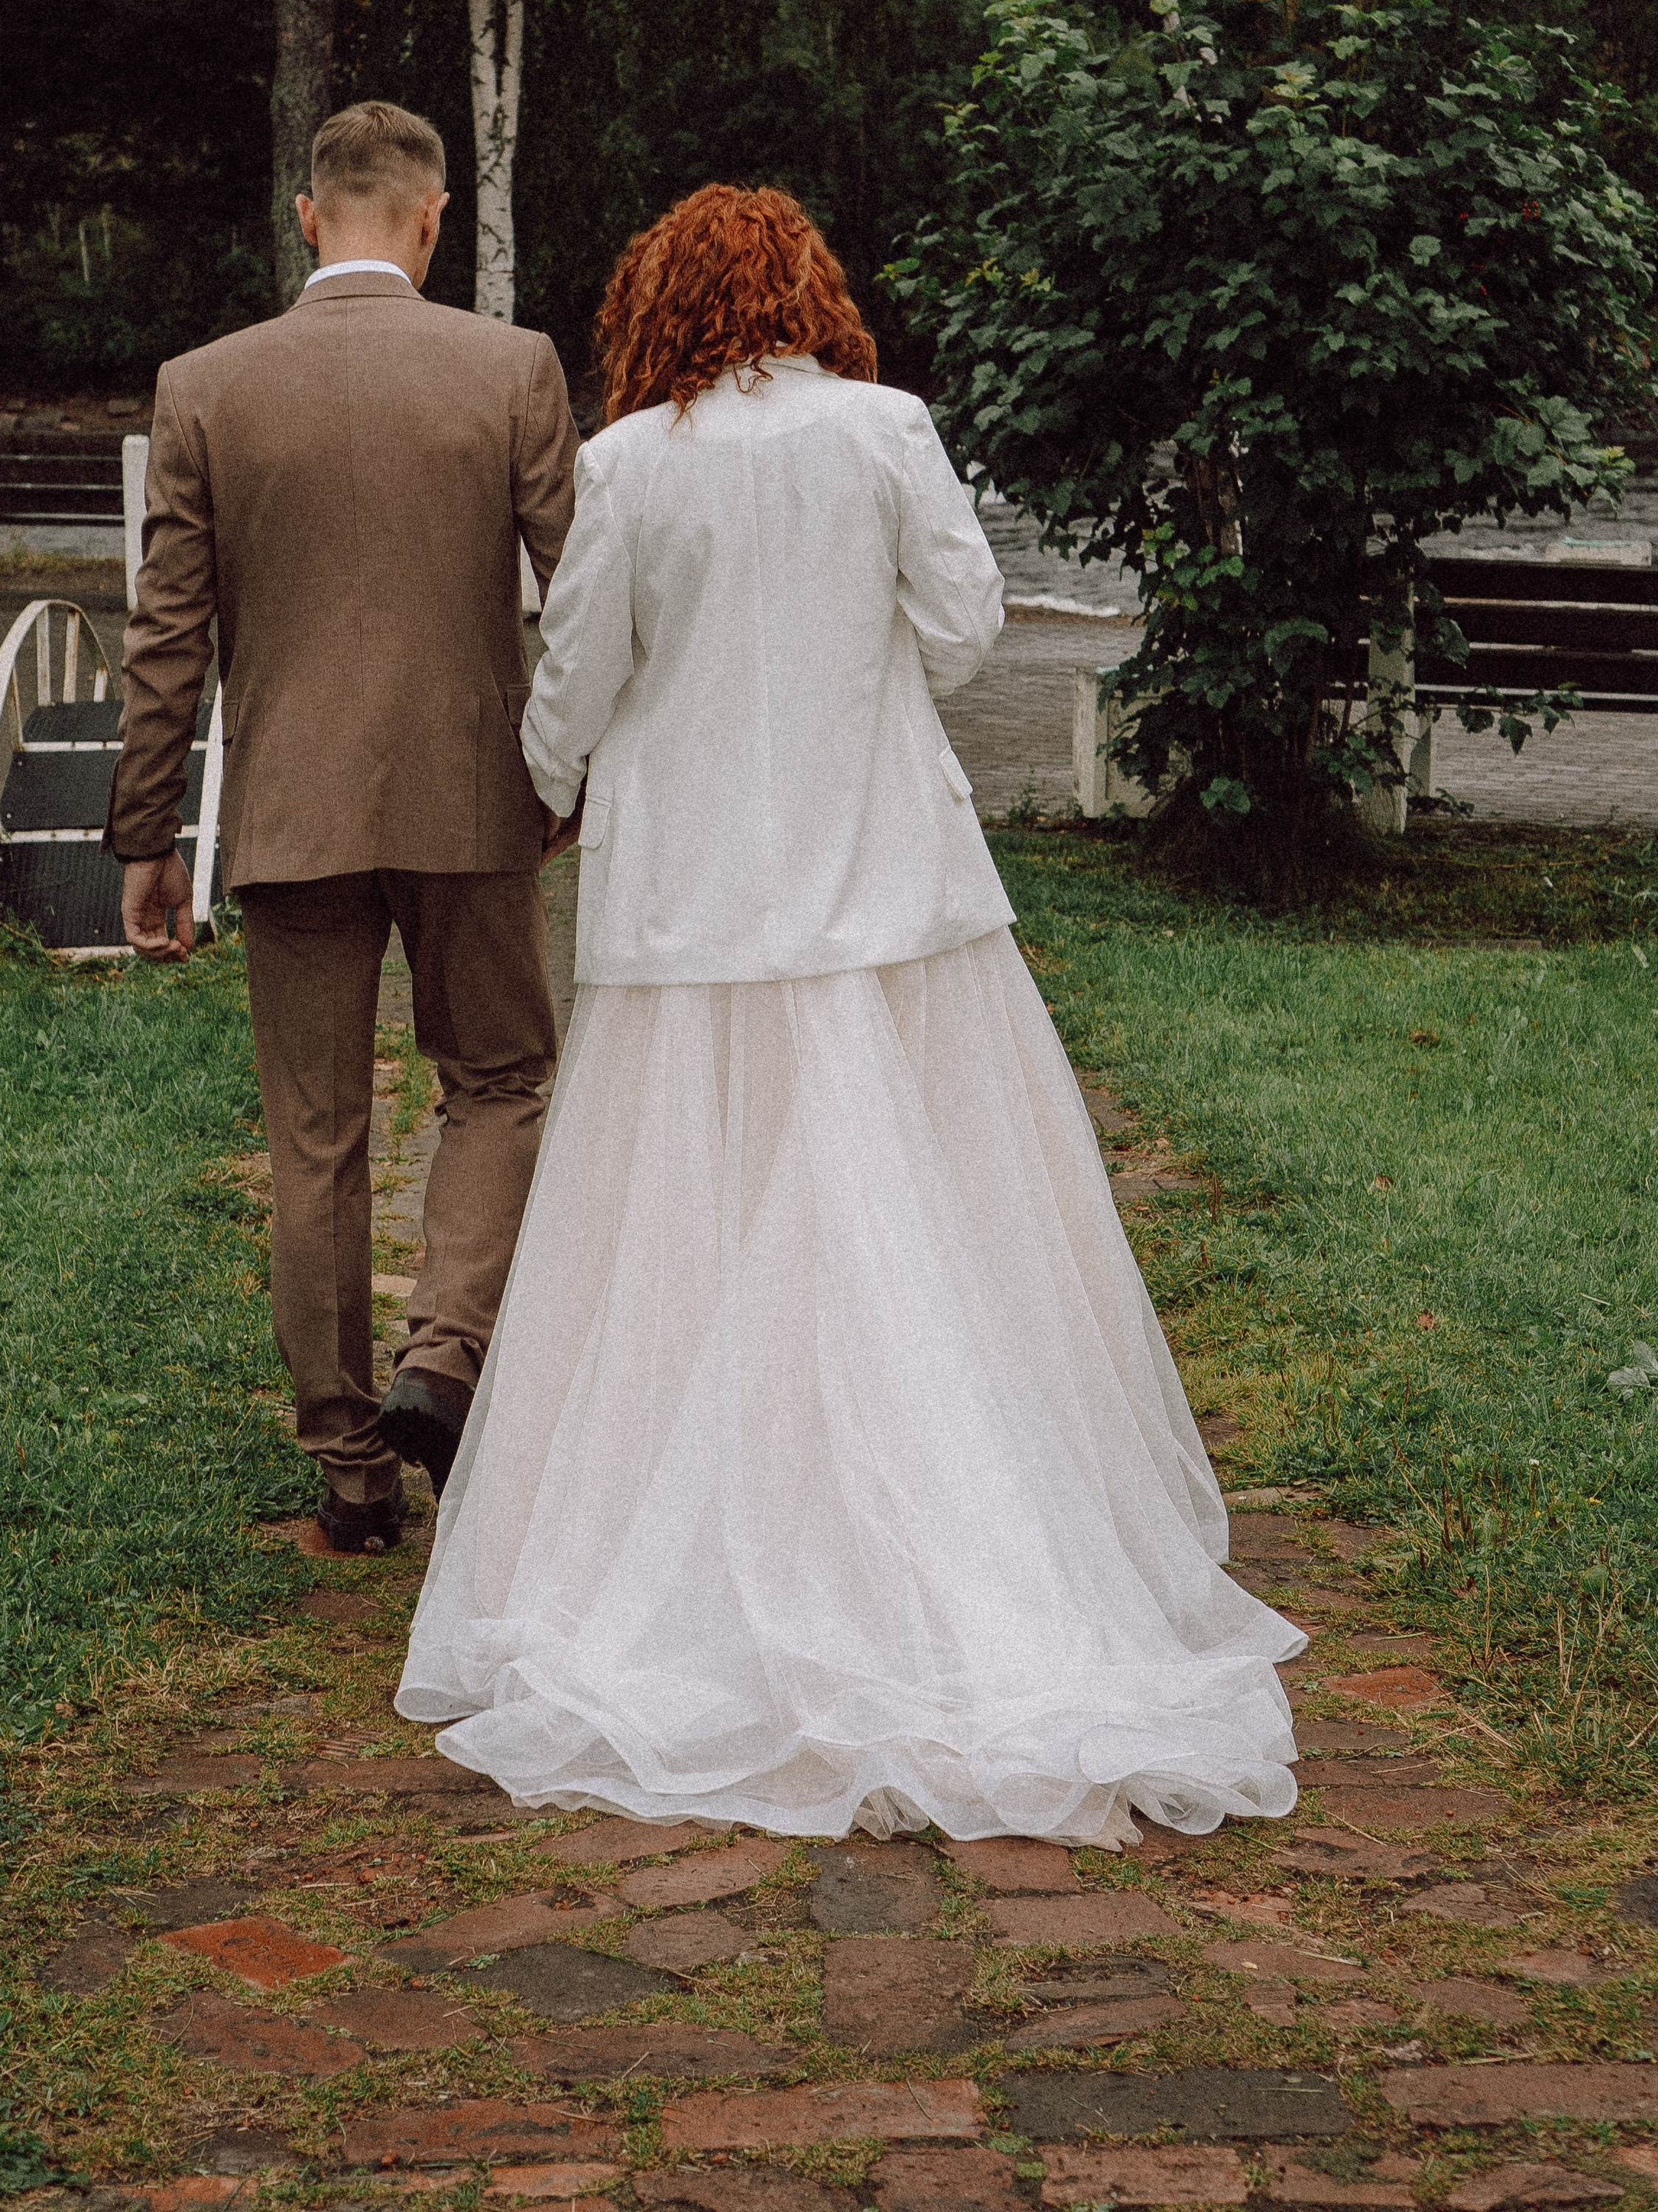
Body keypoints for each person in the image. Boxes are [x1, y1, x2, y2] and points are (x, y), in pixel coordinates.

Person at [397, 182, 1304, 1843]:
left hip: (691, 904)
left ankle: (706, 1519)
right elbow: (961, 632)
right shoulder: (888, 432)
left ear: (655, 307)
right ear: (809, 294)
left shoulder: (628, 465)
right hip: (884, 879)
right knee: (915, 1202)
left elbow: (576, 675)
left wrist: (548, 784)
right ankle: (947, 1520)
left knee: (685, 1213)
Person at [108, 101, 580, 1554]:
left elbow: (167, 633)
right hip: (473, 798)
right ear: (431, 220)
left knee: (314, 1133)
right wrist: (572, 776)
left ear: (308, 219)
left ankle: (351, 1476)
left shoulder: (204, 387)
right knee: (497, 1079)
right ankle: (443, 1354)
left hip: (291, 809)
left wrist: (145, 833)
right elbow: (585, 601)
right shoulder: (512, 367)